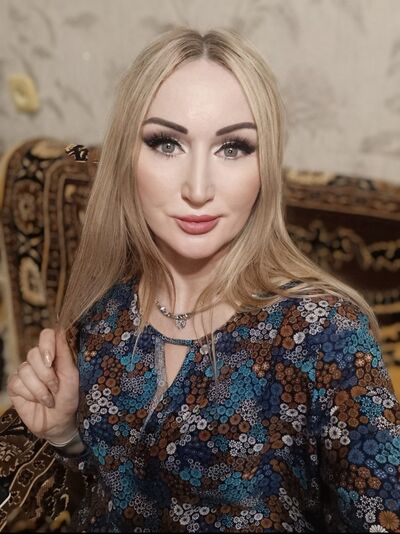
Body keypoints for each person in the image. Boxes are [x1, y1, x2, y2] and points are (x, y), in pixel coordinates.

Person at [6, 26, 400, 533]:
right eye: (166, 143)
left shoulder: (327, 334)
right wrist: (67, 435)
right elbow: (115, 491)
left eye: (233, 147)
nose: (197, 188)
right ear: (127, 156)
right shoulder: (102, 309)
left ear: (266, 167)